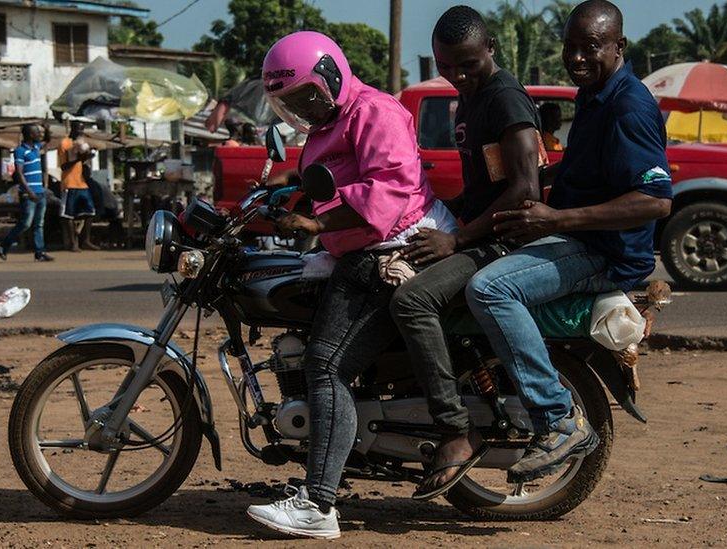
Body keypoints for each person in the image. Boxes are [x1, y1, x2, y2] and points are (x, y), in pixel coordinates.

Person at [245, 31, 457, 539]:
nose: (303, 106)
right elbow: (335, 176)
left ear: (331, 76)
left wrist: (318, 224)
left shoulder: (374, 112)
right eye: (291, 101)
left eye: (306, 95)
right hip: (360, 242)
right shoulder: (330, 122)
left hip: (397, 245)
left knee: (326, 364)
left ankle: (318, 505)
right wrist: (289, 189)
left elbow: (390, 188)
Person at [464, 0, 673, 483]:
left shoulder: (629, 105)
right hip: (579, 234)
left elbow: (655, 201)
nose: (577, 58)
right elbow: (585, 174)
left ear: (619, 47)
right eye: (570, 48)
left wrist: (557, 219)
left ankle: (557, 419)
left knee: (491, 289)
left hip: (604, 252)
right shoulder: (596, 93)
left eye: (591, 48)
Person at [389, 5, 545, 500]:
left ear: (491, 50)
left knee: (411, 301)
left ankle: (456, 429)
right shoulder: (472, 98)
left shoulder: (505, 100)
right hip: (477, 230)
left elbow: (524, 191)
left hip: (501, 241)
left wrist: (455, 238)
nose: (457, 75)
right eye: (446, 66)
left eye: (468, 65)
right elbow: (484, 186)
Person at [0, 123, 54, 262]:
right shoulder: (20, 151)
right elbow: (19, 173)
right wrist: (29, 192)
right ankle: (4, 245)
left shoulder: (35, 147)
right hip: (29, 194)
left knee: (39, 224)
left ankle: (39, 252)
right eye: (37, 132)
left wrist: (46, 128)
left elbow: (47, 140)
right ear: (30, 134)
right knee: (25, 224)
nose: (39, 135)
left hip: (40, 192)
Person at [58, 120, 99, 251]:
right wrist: (78, 159)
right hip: (69, 183)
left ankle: (85, 240)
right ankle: (72, 243)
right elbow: (64, 166)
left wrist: (87, 155)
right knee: (68, 215)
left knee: (90, 212)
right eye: (78, 129)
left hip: (81, 183)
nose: (80, 132)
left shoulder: (82, 143)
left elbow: (84, 160)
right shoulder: (65, 143)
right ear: (72, 129)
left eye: (82, 129)